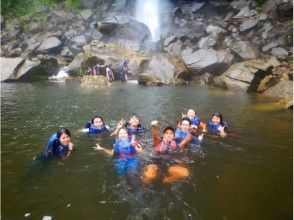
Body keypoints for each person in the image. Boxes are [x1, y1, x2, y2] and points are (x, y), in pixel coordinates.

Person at [142, 120, 195, 184]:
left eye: (171, 133)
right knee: (148, 177)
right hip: (155, 163)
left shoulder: (176, 145)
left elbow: (186, 140)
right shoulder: (158, 142)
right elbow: (155, 135)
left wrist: (192, 132)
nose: (169, 135)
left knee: (185, 173)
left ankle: (167, 180)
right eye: (166, 133)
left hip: (170, 165)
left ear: (174, 136)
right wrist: (154, 127)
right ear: (163, 135)